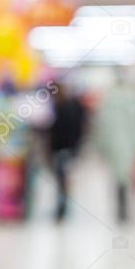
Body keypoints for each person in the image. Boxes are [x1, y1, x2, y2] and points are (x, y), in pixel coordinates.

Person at [95, 68, 135, 225]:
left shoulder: (108, 99)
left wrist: (102, 147)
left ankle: (121, 210)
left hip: (115, 144)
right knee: (130, 176)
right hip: (132, 144)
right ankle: (127, 209)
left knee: (118, 178)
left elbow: (101, 126)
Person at [47, 84, 87, 221]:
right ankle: (62, 207)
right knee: (63, 179)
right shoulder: (68, 107)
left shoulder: (60, 109)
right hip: (66, 149)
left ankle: (62, 208)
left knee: (61, 180)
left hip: (61, 149)